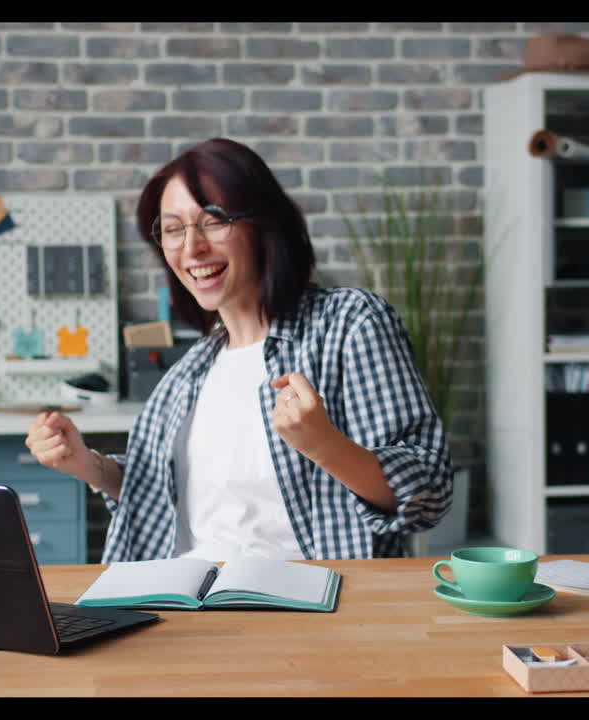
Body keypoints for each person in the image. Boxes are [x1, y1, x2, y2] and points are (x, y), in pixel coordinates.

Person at [25, 137, 453, 562]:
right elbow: (162, 496)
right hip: (186, 592)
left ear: (265, 224)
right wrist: (87, 465)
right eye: (173, 229)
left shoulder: (348, 323)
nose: (191, 248)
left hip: (311, 594)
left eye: (213, 221)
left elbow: (429, 493)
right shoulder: (190, 371)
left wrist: (325, 445)